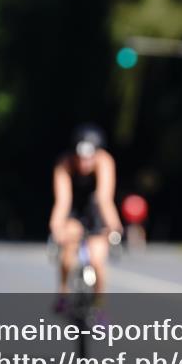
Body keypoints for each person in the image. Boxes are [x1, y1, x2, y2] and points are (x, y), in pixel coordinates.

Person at [49, 124, 123, 314]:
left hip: (95, 209)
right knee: (68, 254)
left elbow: (104, 198)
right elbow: (63, 200)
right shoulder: (64, 164)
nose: (84, 164)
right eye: (80, 158)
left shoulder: (105, 162)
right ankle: (63, 294)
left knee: (98, 260)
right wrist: (57, 227)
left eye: (89, 158)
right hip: (74, 210)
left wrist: (114, 226)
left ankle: (99, 307)